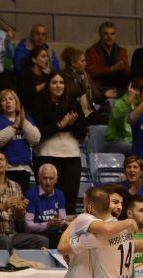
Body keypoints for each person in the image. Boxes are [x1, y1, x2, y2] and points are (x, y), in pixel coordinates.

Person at [31, 71, 87, 215]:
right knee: (48, 199)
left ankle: (67, 234)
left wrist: (69, 125)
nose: (58, 86)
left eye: (61, 82)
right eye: (54, 82)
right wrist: (60, 125)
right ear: (48, 85)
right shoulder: (39, 103)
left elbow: (82, 132)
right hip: (46, 154)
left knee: (69, 200)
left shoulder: (73, 104)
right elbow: (38, 132)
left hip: (71, 155)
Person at [0, 150, 51, 250]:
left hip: (12, 234)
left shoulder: (15, 186)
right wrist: (3, 206)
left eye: (1, 160)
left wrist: (20, 210)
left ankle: (32, 266)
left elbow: (19, 218)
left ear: (7, 165)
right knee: (4, 241)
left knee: (42, 241)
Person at [0, 89, 41, 190]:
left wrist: (24, 122)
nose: (8, 102)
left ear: (16, 102)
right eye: (4, 100)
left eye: (11, 99)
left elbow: (35, 139)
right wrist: (15, 126)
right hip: (4, 168)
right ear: (0, 103)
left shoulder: (27, 118)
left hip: (23, 168)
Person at [61, 46, 114, 124]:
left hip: (90, 112)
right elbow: (72, 95)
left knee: (114, 117)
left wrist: (104, 95)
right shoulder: (64, 77)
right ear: (73, 63)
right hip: (76, 116)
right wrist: (83, 85)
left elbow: (96, 98)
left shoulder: (86, 76)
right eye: (82, 61)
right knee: (109, 121)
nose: (86, 64)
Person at [24, 163, 66, 248]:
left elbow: (62, 220)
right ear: (39, 179)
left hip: (55, 233)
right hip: (37, 234)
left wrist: (60, 223)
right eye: (45, 178)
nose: (48, 182)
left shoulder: (60, 194)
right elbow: (28, 226)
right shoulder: (30, 195)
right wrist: (47, 225)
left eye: (51, 178)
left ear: (56, 180)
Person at [85, 21, 130, 95]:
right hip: (100, 88)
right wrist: (111, 69)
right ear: (100, 35)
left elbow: (127, 72)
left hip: (120, 87)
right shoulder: (92, 51)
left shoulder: (122, 51)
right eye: (106, 34)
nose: (109, 37)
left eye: (112, 34)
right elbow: (91, 71)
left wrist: (124, 67)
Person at [103, 78, 140, 154]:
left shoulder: (141, 107)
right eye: (142, 92)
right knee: (133, 148)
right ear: (133, 90)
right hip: (114, 142)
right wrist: (128, 101)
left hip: (132, 142)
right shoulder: (119, 104)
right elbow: (118, 121)